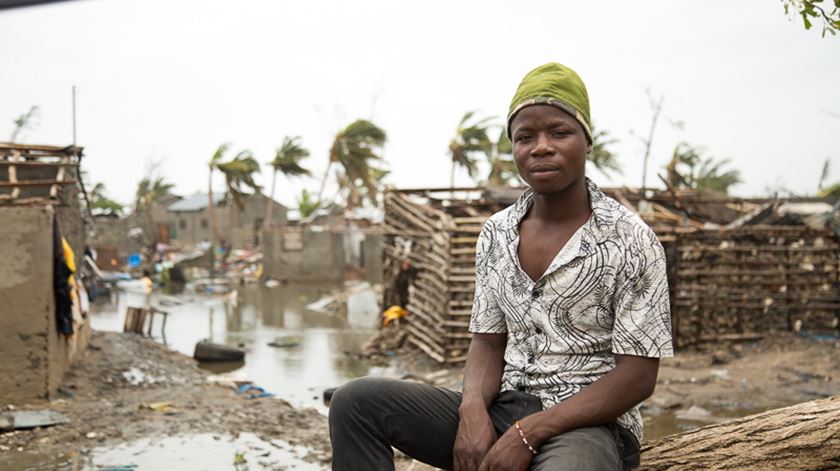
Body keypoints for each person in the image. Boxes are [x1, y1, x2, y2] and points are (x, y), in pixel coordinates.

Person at [329, 62, 673, 471]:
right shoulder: (498, 232)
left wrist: (530, 432)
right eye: (525, 137)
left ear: (587, 141)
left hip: (588, 425)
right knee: (356, 403)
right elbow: (488, 342)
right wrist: (472, 412)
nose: (540, 147)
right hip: (503, 407)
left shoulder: (630, 239)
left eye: (559, 132)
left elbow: (637, 376)